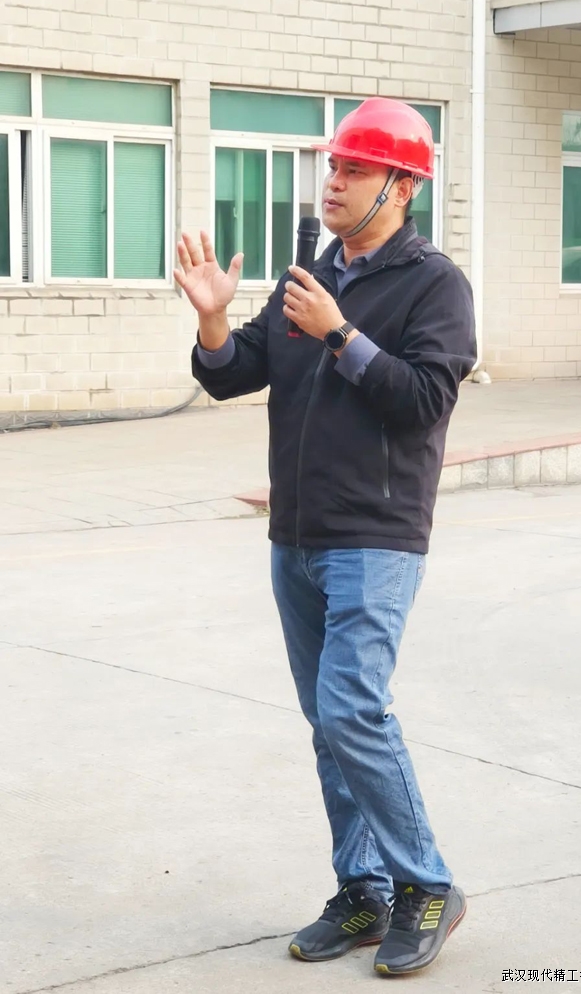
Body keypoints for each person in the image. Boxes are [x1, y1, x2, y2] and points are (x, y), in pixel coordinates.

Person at [176, 98, 477, 977]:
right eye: (333, 166)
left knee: (352, 708)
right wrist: (213, 319)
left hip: (375, 537)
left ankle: (427, 885)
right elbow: (234, 374)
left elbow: (425, 401)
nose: (333, 182)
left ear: (402, 186)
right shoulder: (309, 275)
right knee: (328, 724)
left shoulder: (434, 285)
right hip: (297, 537)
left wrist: (340, 335)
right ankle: (363, 891)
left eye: (353, 169)